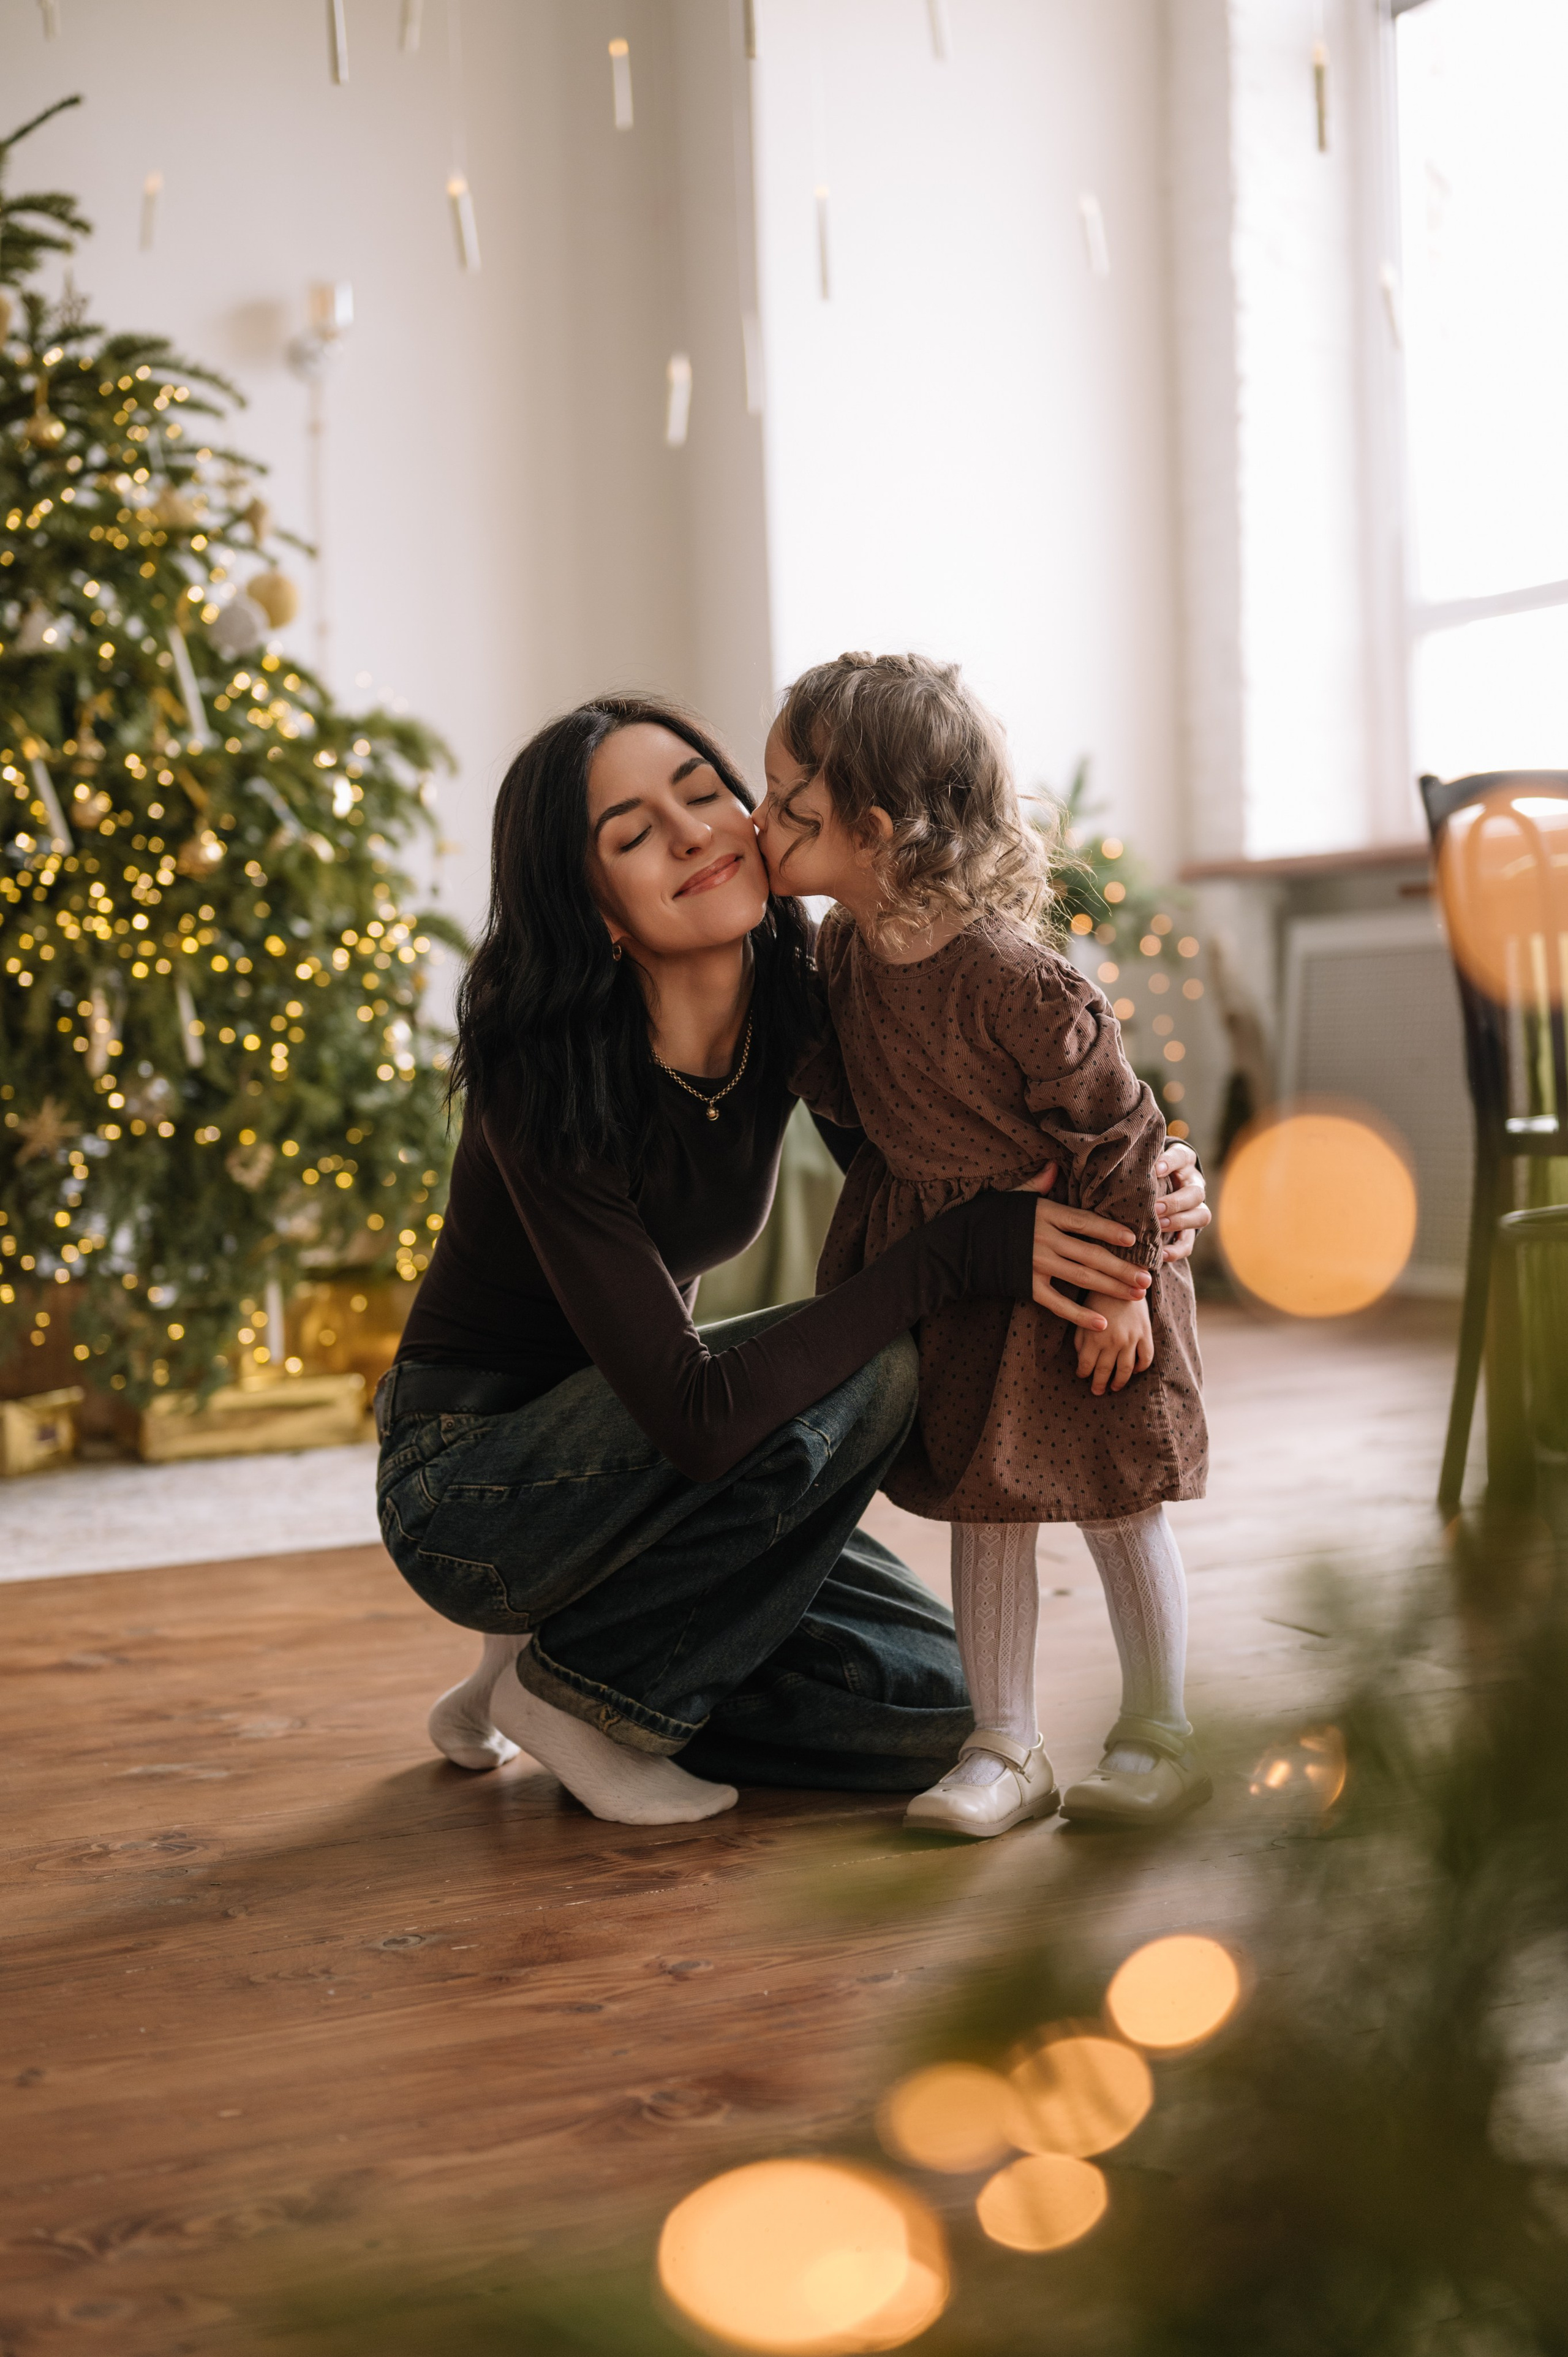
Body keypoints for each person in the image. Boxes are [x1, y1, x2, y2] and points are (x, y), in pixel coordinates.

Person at [375, 694, 1212, 1827]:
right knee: (875, 1366)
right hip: (476, 1482)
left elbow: (952, 1151)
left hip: (651, 1478)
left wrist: (1137, 1189)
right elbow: (702, 1414)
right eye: (630, 833)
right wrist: (963, 1251)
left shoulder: (806, 997)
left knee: (938, 1711)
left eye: (704, 791)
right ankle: (565, 1691)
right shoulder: (543, 1080)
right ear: (594, 910)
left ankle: (560, 1644)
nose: (695, 832)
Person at [758, 654, 1208, 1838]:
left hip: (1079, 1269)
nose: (758, 828)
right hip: (964, 1276)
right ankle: (1006, 1744)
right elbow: (855, 1097)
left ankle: (1161, 1734)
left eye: (787, 810)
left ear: (873, 829)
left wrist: (1126, 1294)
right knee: (985, 1503)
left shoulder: (1011, 975)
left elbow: (1118, 1125)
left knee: (1118, 1504)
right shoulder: (843, 953)